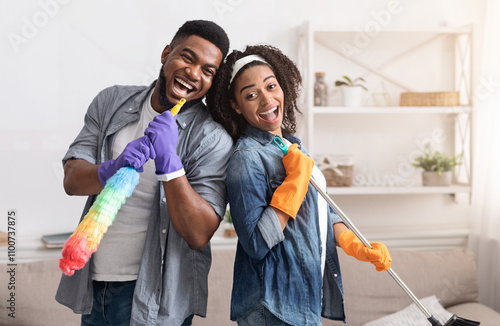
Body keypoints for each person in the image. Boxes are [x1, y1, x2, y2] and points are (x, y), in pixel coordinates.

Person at [56, 20, 234, 326]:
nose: (194, 73)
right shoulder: (112, 102)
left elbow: (198, 234)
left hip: (156, 299)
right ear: (166, 54)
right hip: (94, 284)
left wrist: (170, 163)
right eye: (187, 58)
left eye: (208, 70)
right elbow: (72, 180)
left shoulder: (212, 138)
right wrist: (112, 167)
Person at [206, 45, 392, 325]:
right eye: (251, 95)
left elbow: (317, 212)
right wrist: (294, 181)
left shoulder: (293, 147)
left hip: (301, 296)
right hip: (270, 306)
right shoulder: (246, 157)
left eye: (271, 86)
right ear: (236, 105)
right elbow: (256, 243)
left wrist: (353, 244)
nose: (267, 99)